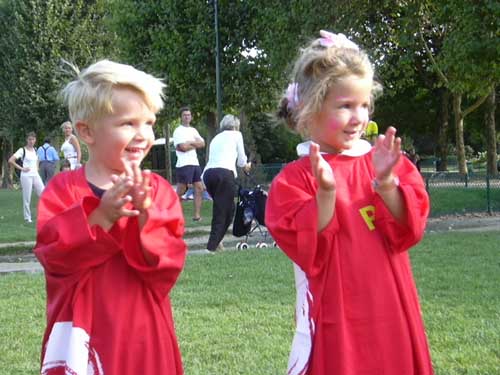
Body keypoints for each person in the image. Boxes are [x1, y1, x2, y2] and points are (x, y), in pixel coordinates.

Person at [266, 30, 433, 375]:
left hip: (392, 306)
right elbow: (310, 248)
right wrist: (325, 194)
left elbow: (408, 230)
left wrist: (387, 184)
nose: (359, 117)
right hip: (337, 314)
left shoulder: (384, 162)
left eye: (363, 105)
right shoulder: (295, 180)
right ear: (311, 110)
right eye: (345, 106)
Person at [34, 60, 187, 375]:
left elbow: (167, 265)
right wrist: (101, 215)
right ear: (87, 131)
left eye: (149, 122)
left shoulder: (157, 191)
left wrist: (146, 214)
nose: (143, 134)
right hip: (83, 335)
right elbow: (55, 257)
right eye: (128, 123)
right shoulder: (62, 190)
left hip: (144, 332)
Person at [202, 114, 251, 253]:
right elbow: (241, 161)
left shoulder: (216, 138)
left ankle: (218, 243)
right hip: (224, 174)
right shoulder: (237, 135)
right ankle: (210, 248)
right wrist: (246, 165)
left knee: (229, 210)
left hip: (209, 175)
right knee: (222, 213)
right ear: (235, 126)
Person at [172, 106, 205, 221]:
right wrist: (194, 144)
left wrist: (190, 142)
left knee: (199, 188)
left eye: (188, 115)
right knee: (181, 190)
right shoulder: (178, 131)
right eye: (185, 115)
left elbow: (202, 144)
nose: (187, 117)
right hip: (183, 164)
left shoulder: (193, 130)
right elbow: (183, 147)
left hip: (194, 163)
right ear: (181, 117)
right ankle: (173, 212)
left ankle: (197, 216)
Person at [8, 131, 45, 223]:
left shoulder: (35, 150)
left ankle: (44, 214)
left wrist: (37, 168)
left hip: (35, 175)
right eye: (29, 139)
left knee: (44, 194)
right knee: (27, 197)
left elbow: (37, 159)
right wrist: (22, 168)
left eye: (33, 139)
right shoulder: (22, 150)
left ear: (35, 140)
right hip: (26, 176)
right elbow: (11, 160)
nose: (31, 141)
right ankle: (27, 218)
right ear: (27, 140)